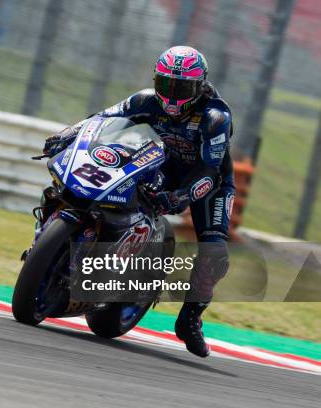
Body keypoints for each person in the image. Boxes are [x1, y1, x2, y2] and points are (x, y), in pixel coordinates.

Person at [42, 46, 234, 358]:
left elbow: (210, 172)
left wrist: (179, 197)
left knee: (215, 253)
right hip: (162, 164)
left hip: (207, 182)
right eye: (166, 85)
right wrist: (67, 135)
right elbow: (101, 119)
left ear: (199, 87)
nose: (171, 96)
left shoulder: (215, 117)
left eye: (181, 88)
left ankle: (190, 320)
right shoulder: (146, 99)